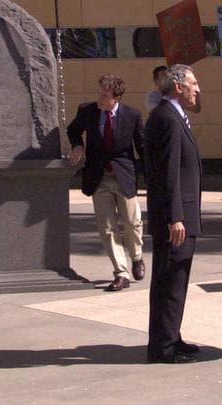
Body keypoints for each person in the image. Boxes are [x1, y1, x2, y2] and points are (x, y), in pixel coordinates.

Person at [143, 64, 203, 363]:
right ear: (178, 86)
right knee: (169, 281)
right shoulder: (166, 118)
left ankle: (171, 337)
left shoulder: (174, 115)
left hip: (181, 215)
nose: (198, 89)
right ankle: (163, 347)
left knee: (175, 282)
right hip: (175, 220)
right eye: (194, 83)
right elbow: (167, 174)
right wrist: (174, 217)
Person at [67, 73, 146, 291]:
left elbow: (142, 147)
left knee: (131, 223)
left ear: (116, 98)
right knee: (107, 228)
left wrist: (150, 178)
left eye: (105, 95)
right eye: (99, 93)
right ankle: (121, 273)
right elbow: (73, 130)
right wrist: (78, 145)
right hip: (98, 177)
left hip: (123, 177)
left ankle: (137, 256)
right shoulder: (87, 112)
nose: (100, 99)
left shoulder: (132, 115)